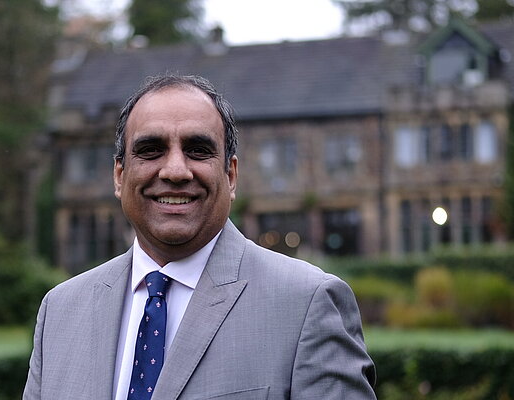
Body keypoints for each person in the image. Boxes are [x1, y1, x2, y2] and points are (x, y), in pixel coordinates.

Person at [23, 75, 376, 400]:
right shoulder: (60, 311)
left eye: (198, 149)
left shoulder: (307, 304)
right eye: (150, 150)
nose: (175, 170)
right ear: (119, 176)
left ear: (231, 175)